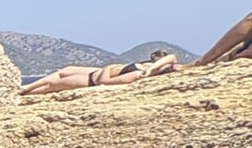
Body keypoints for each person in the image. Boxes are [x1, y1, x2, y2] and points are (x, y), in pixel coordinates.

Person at [19, 50, 180, 96]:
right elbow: (172, 57)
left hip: (92, 80)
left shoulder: (138, 75)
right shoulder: (148, 67)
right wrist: (152, 67)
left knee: (51, 85)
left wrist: (108, 68)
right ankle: (24, 88)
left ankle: (25, 93)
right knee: (64, 71)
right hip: (94, 72)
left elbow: (105, 83)